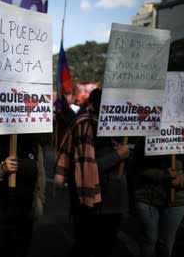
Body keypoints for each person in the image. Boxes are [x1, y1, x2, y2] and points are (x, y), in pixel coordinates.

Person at [54, 88, 132, 257]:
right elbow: (85, 168)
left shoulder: (123, 126)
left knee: (106, 247)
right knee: (85, 246)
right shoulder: (85, 125)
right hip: (89, 200)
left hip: (114, 201)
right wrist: (118, 155)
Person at [0, 133, 46, 257]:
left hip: (23, 220)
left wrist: (39, 201)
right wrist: (1, 170)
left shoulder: (34, 144)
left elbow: (41, 176)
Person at [133, 140, 184, 257]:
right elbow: (136, 167)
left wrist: (181, 180)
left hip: (176, 202)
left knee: (165, 243)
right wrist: (162, 175)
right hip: (146, 199)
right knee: (149, 240)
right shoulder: (144, 138)